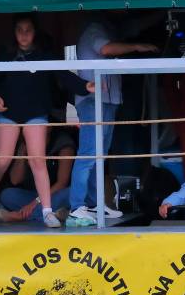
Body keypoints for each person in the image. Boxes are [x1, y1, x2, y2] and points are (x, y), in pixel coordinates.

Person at [0, 16, 92, 229]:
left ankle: (47, 212)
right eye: (19, 30)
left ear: (35, 32)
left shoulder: (44, 56)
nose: (24, 34)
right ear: (14, 32)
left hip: (35, 113)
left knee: (37, 160)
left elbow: (64, 75)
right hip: (7, 113)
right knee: (2, 160)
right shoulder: (5, 56)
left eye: (28, 30)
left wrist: (85, 86)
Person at [68, 17, 159, 225]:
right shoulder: (94, 26)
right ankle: (76, 208)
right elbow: (106, 49)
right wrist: (137, 46)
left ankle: (93, 204)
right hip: (93, 100)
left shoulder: (113, 27)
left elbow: (134, 26)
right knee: (89, 154)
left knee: (100, 155)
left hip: (108, 100)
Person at [0, 127, 79, 224]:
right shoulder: (27, 142)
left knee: (70, 192)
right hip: (34, 195)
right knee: (7, 195)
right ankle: (55, 216)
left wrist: (34, 203)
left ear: (50, 127)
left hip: (55, 194)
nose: (33, 128)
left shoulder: (63, 144)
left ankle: (21, 217)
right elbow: (15, 180)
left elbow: (62, 183)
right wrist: (22, 153)